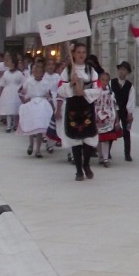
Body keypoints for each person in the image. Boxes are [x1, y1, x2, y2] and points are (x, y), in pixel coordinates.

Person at [57, 42, 102, 181]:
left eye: (83, 52)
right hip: (73, 106)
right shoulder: (68, 70)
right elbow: (60, 89)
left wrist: (85, 92)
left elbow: (98, 88)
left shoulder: (91, 70)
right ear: (74, 54)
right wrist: (71, 84)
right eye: (78, 52)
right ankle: (78, 170)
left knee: (89, 137)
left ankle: (86, 164)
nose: (81, 55)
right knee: (75, 138)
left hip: (86, 105)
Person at [18, 62, 54, 158]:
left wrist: (52, 105)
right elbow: (20, 92)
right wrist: (24, 101)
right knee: (32, 126)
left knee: (40, 128)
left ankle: (38, 150)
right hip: (32, 104)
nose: (38, 74)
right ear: (33, 72)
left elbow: (49, 96)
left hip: (42, 105)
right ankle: (31, 144)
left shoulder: (46, 83)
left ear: (43, 73)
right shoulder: (29, 82)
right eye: (36, 72)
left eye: (40, 72)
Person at [95, 72, 121, 167]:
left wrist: (117, 120)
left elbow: (114, 106)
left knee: (105, 138)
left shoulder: (111, 93)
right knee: (99, 139)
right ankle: (100, 157)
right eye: (102, 80)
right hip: (97, 117)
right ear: (99, 80)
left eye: (106, 80)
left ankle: (106, 158)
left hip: (108, 118)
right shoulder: (95, 92)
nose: (104, 82)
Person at [111, 61, 135, 162]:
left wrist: (130, 112)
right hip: (113, 110)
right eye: (120, 69)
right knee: (111, 130)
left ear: (127, 72)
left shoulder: (129, 86)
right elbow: (109, 95)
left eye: (124, 70)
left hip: (124, 110)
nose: (122, 71)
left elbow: (131, 99)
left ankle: (127, 154)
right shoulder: (112, 82)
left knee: (126, 131)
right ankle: (107, 152)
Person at [0, 55, 26, 133]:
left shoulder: (19, 73)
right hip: (7, 92)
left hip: (16, 92)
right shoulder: (6, 73)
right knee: (8, 109)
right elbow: (2, 83)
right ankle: (8, 126)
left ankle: (16, 125)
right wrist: (0, 93)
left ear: (13, 63)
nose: (8, 63)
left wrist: (22, 91)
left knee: (15, 109)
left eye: (9, 61)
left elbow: (24, 83)